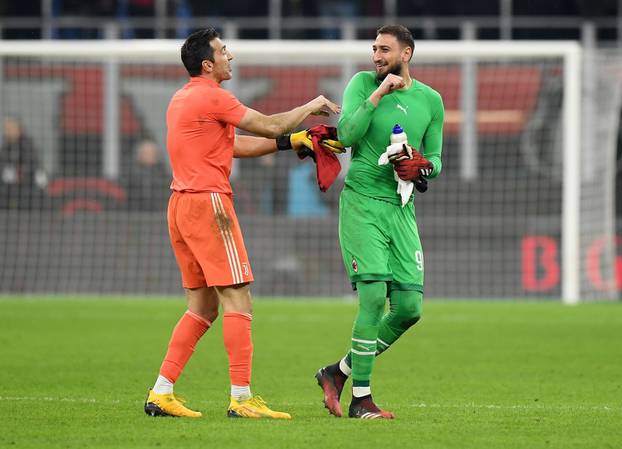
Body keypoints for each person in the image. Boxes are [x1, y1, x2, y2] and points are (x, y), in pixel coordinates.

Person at [144, 28, 341, 419]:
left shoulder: (183, 98)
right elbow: (267, 125)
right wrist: (310, 107)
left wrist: (293, 142)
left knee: (202, 306)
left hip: (181, 204)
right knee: (238, 297)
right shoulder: (212, 95)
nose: (229, 57)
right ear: (207, 64)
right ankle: (241, 397)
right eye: (223, 52)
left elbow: (232, 145)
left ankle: (161, 391)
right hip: (209, 203)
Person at [315, 25, 444, 419]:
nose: (376, 55)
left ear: (406, 54)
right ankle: (361, 399)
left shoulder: (431, 101)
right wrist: (377, 94)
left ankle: (338, 372)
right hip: (363, 204)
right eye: (373, 48)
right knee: (373, 299)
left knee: (409, 308)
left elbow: (436, 160)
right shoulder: (360, 84)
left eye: (385, 49)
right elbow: (349, 134)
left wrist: (423, 166)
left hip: (401, 210)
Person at [0, 116, 47, 209]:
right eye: (5, 128)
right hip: (8, 185)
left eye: (10, 128)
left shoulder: (27, 144)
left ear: (19, 129)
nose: (7, 131)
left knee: (39, 179)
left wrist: (20, 173)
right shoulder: (4, 145)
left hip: (27, 183)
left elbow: (34, 165)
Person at [124, 138, 170, 211]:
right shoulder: (132, 173)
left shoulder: (162, 173)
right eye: (146, 153)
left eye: (152, 153)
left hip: (159, 212)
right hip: (136, 212)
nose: (150, 155)